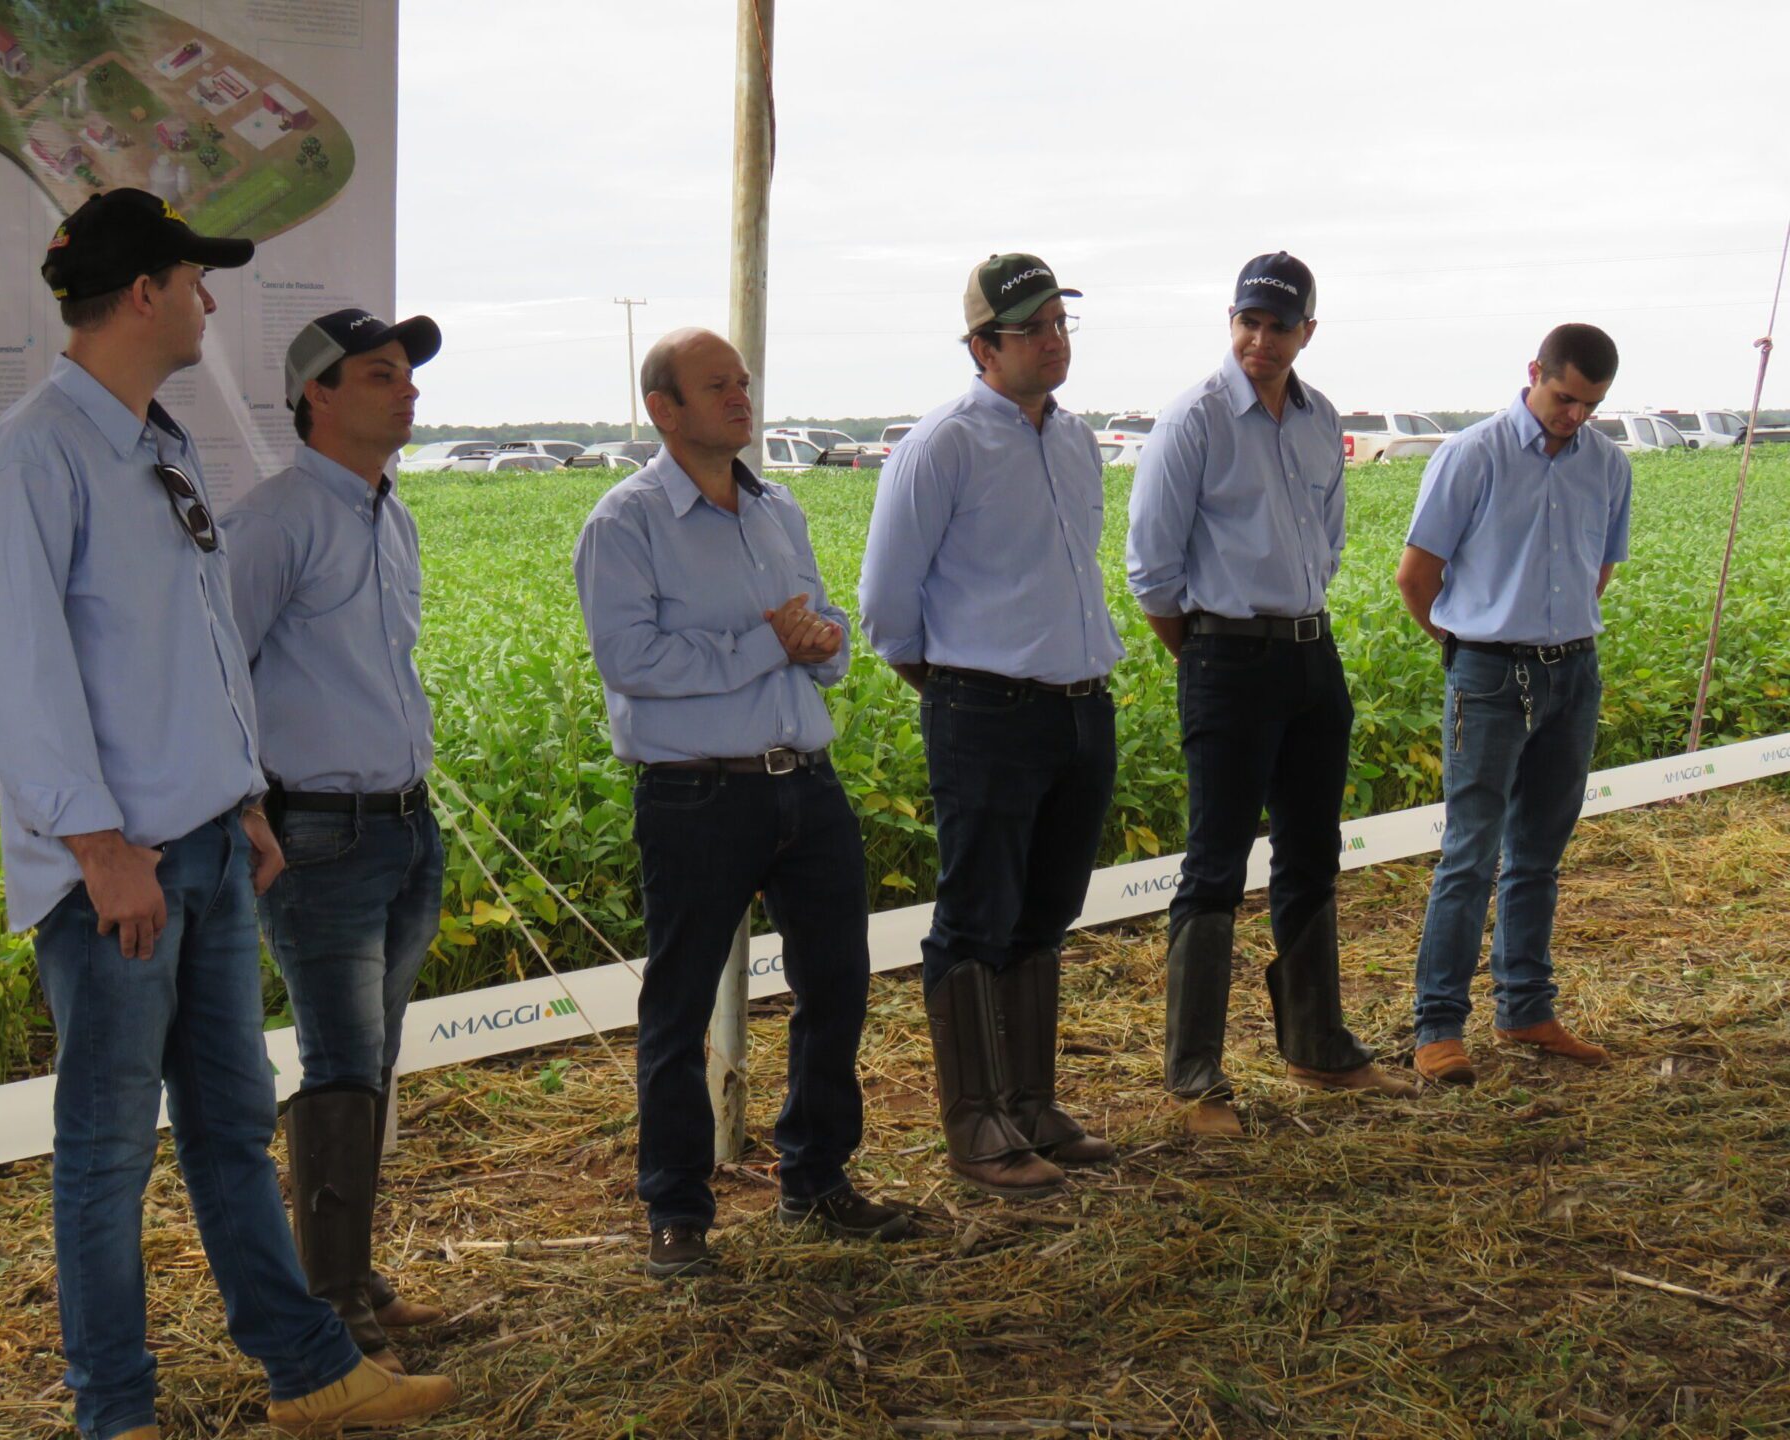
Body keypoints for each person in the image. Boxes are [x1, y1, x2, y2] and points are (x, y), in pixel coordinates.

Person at [0, 188, 453, 1439]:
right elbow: (25, 673)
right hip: (116, 868)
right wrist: (96, 844)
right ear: (142, 294)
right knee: (108, 1149)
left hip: (206, 846)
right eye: (195, 280)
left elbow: (191, 652)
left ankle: (308, 1371)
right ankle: (116, 1412)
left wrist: (240, 799)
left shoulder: (160, 444)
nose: (210, 300)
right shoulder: (32, 454)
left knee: (233, 1122)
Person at [572, 326, 907, 1280]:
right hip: (695, 796)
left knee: (836, 986)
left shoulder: (778, 510)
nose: (740, 397)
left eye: (743, 382)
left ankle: (818, 1179)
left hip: (806, 784)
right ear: (663, 410)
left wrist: (815, 641)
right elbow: (630, 665)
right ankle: (677, 1214)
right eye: (716, 385)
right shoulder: (625, 524)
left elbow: (827, 639)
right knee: (676, 1010)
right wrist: (770, 644)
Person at [1127, 251, 1417, 1137]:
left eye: (1279, 325)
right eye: (1248, 321)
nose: (1260, 339)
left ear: (1307, 333)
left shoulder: (1319, 417)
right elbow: (1152, 569)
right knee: (1214, 862)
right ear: (1231, 320)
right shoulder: (1197, 419)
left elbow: (1324, 542)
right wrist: (1212, 653)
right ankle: (1194, 1081)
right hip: (1225, 655)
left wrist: (1286, 634)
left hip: (1308, 654)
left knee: (1311, 850)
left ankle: (1317, 1048)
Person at [859, 253, 1122, 1198]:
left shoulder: (1075, 438)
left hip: (1081, 705)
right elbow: (886, 604)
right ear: (982, 346)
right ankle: (974, 1124)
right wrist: (956, 687)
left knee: (1047, 908)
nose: (1054, 341)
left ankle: (1030, 1103)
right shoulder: (943, 446)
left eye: (1060, 323)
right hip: (985, 708)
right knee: (975, 914)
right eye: (1033, 328)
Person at [218, 308, 447, 1372]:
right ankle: (330, 1303)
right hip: (316, 835)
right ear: (318, 395)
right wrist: (248, 808)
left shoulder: (385, 512)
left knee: (371, 1059)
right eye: (379, 374)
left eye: (406, 373)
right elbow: (217, 676)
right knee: (344, 1060)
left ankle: (349, 1278)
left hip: (402, 826)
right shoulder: (274, 522)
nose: (405, 390)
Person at [1396, 324, 1631, 1085]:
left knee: (1539, 853)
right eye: (1565, 398)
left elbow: (1598, 570)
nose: (1574, 416)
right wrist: (1465, 648)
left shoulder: (1608, 465)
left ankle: (1526, 1007)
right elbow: (1415, 575)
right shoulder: (1473, 455)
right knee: (1469, 852)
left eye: (1590, 405)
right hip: (1490, 676)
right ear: (1534, 372)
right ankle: (1439, 1027)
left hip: (1575, 671)